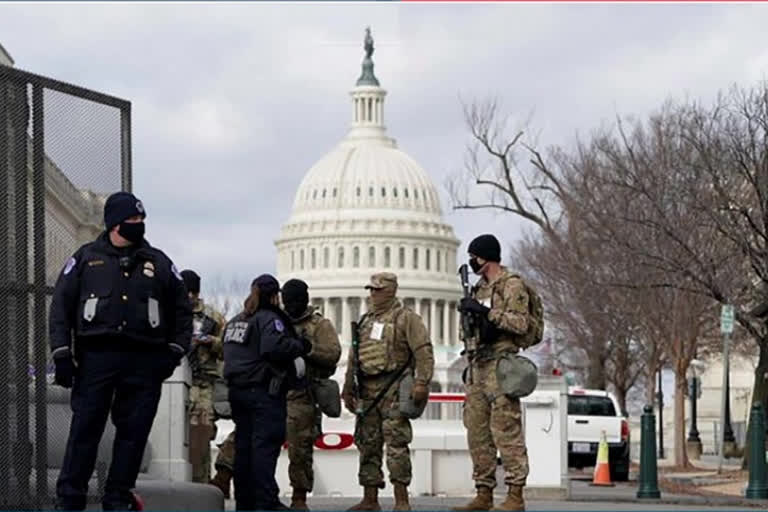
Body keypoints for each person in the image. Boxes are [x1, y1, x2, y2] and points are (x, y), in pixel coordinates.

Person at [49, 191, 192, 511]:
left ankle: (118, 496)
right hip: (97, 357)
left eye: (142, 220)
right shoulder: (86, 259)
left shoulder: (159, 263)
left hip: (145, 360)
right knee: (85, 429)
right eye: (132, 220)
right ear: (115, 223)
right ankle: (71, 497)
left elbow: (182, 312)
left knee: (134, 432)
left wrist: (172, 352)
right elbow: (61, 307)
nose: (139, 225)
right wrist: (61, 352)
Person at [341, 272, 434, 512]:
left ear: (391, 291)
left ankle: (401, 500)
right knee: (367, 444)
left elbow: (423, 351)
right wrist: (348, 387)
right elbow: (355, 357)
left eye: (377, 290)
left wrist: (422, 382)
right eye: (370, 290)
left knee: (396, 444)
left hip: (393, 389)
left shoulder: (406, 319)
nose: (372, 294)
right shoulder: (364, 321)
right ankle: (370, 498)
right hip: (368, 392)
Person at [453, 234, 531, 512]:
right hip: (478, 365)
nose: (472, 261)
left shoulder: (511, 285)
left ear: (485, 257)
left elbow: (521, 323)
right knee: (478, 434)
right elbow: (471, 330)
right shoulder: (478, 290)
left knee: (506, 431)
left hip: (501, 366)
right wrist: (470, 317)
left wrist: (488, 315)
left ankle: (515, 494)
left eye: (474, 257)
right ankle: (483, 492)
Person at [223, 274, 311, 511]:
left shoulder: (235, 322)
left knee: (244, 449)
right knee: (264, 448)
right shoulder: (269, 318)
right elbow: (273, 347)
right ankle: (265, 501)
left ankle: (245, 502)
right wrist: (300, 346)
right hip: (262, 393)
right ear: (274, 296)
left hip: (237, 393)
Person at [281, 279, 342, 510]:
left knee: (300, 449)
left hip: (302, 393)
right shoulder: (276, 321)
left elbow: (333, 353)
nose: (292, 306)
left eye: (297, 301)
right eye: (288, 301)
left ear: (306, 300)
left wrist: (308, 349)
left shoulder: (319, 325)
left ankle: (299, 497)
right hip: (274, 393)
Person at [180, 269, 226, 483]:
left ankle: (201, 483)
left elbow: (228, 349)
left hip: (203, 385)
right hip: (175, 383)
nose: (188, 297)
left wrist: (210, 342)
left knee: (201, 436)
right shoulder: (171, 314)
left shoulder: (213, 317)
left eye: (191, 292)